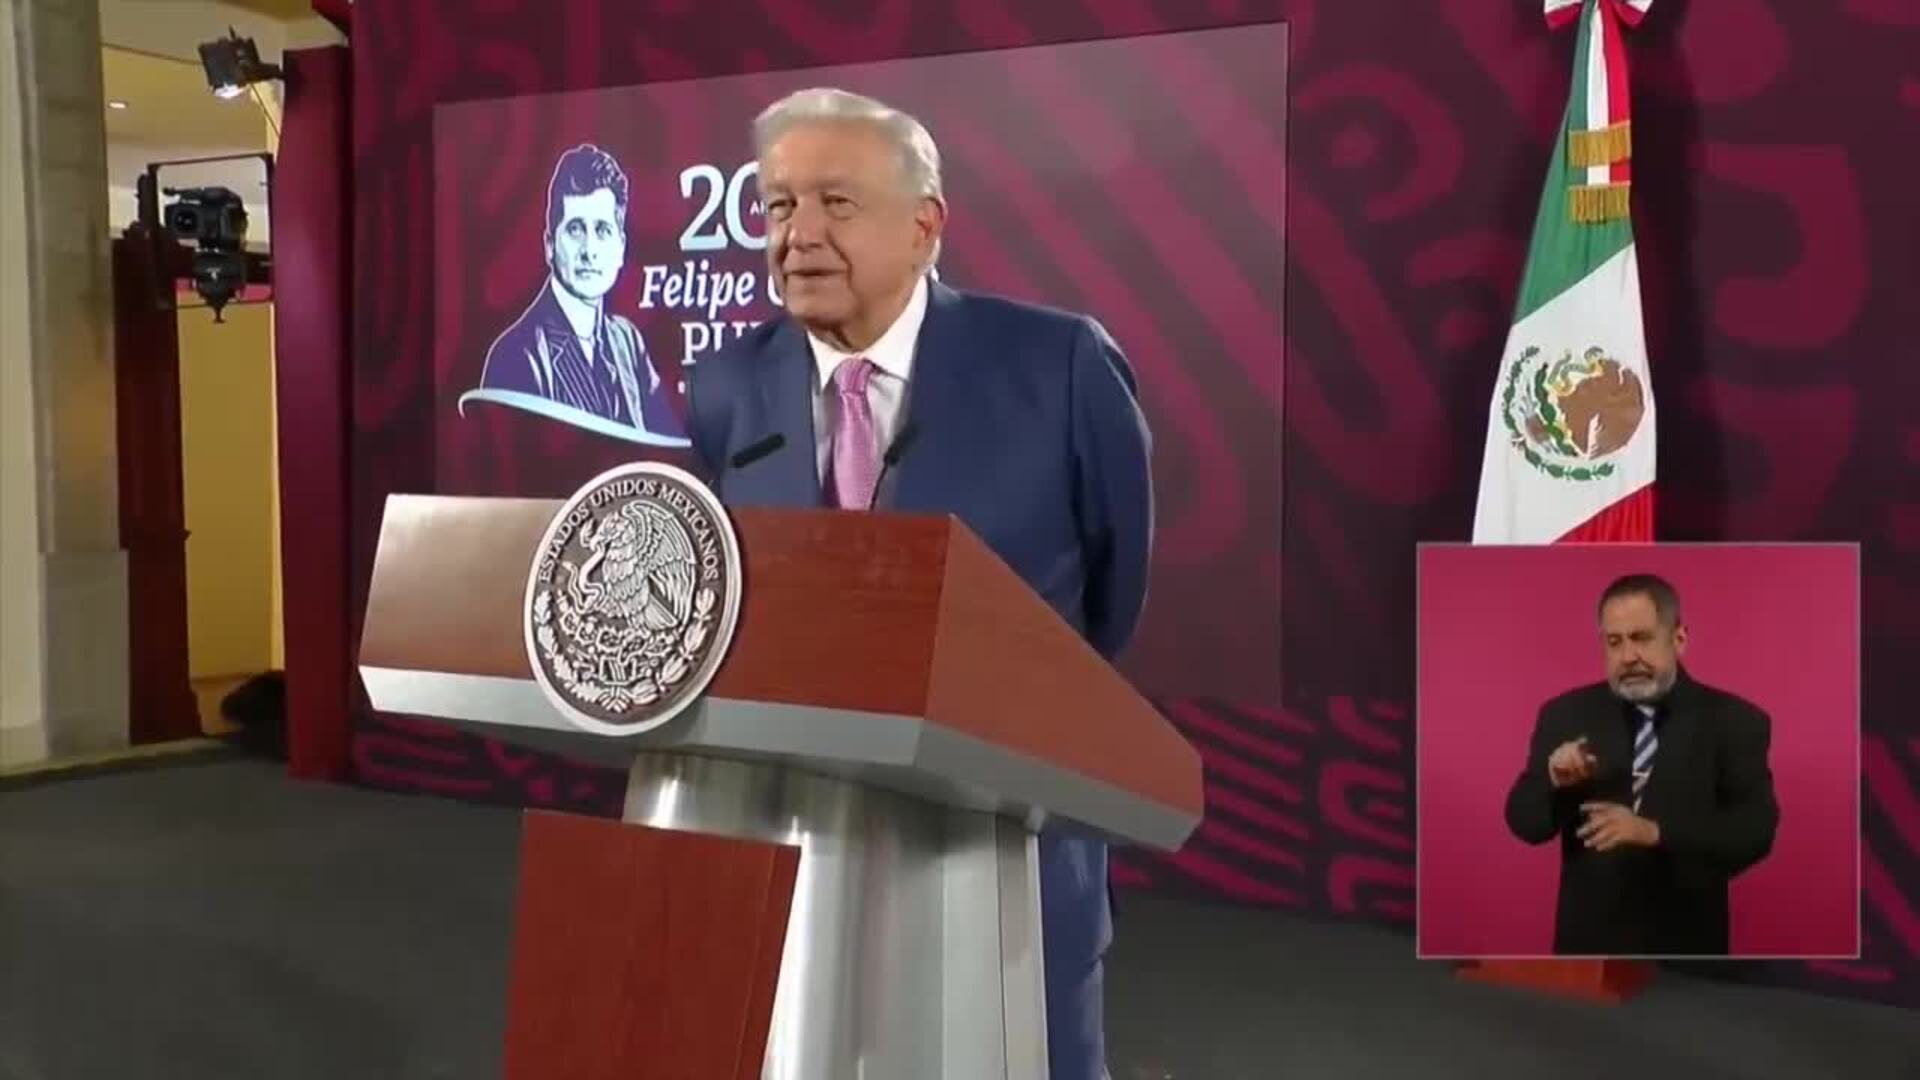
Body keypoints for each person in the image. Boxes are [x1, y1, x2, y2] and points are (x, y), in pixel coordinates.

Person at [686, 87, 1152, 1079]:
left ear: (925, 226)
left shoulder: (1061, 366)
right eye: (778, 206)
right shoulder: (726, 386)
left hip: (1009, 845)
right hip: (799, 845)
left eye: (836, 203)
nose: (798, 236)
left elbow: (1114, 593)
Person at [1503, 573, 1780, 956]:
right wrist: (1551, 779)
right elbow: (1524, 824)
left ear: (1678, 639)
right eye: (1614, 642)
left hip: (1690, 955)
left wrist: (1654, 832)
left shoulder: (1735, 721)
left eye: (1642, 638)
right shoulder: (1565, 714)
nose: (1628, 656)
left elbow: (1755, 832)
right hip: (1587, 953)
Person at [473, 143, 685, 443]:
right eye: (575, 229)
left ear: (620, 248)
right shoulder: (516, 355)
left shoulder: (627, 340)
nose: (589, 250)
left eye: (602, 230)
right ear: (549, 246)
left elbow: (668, 448)